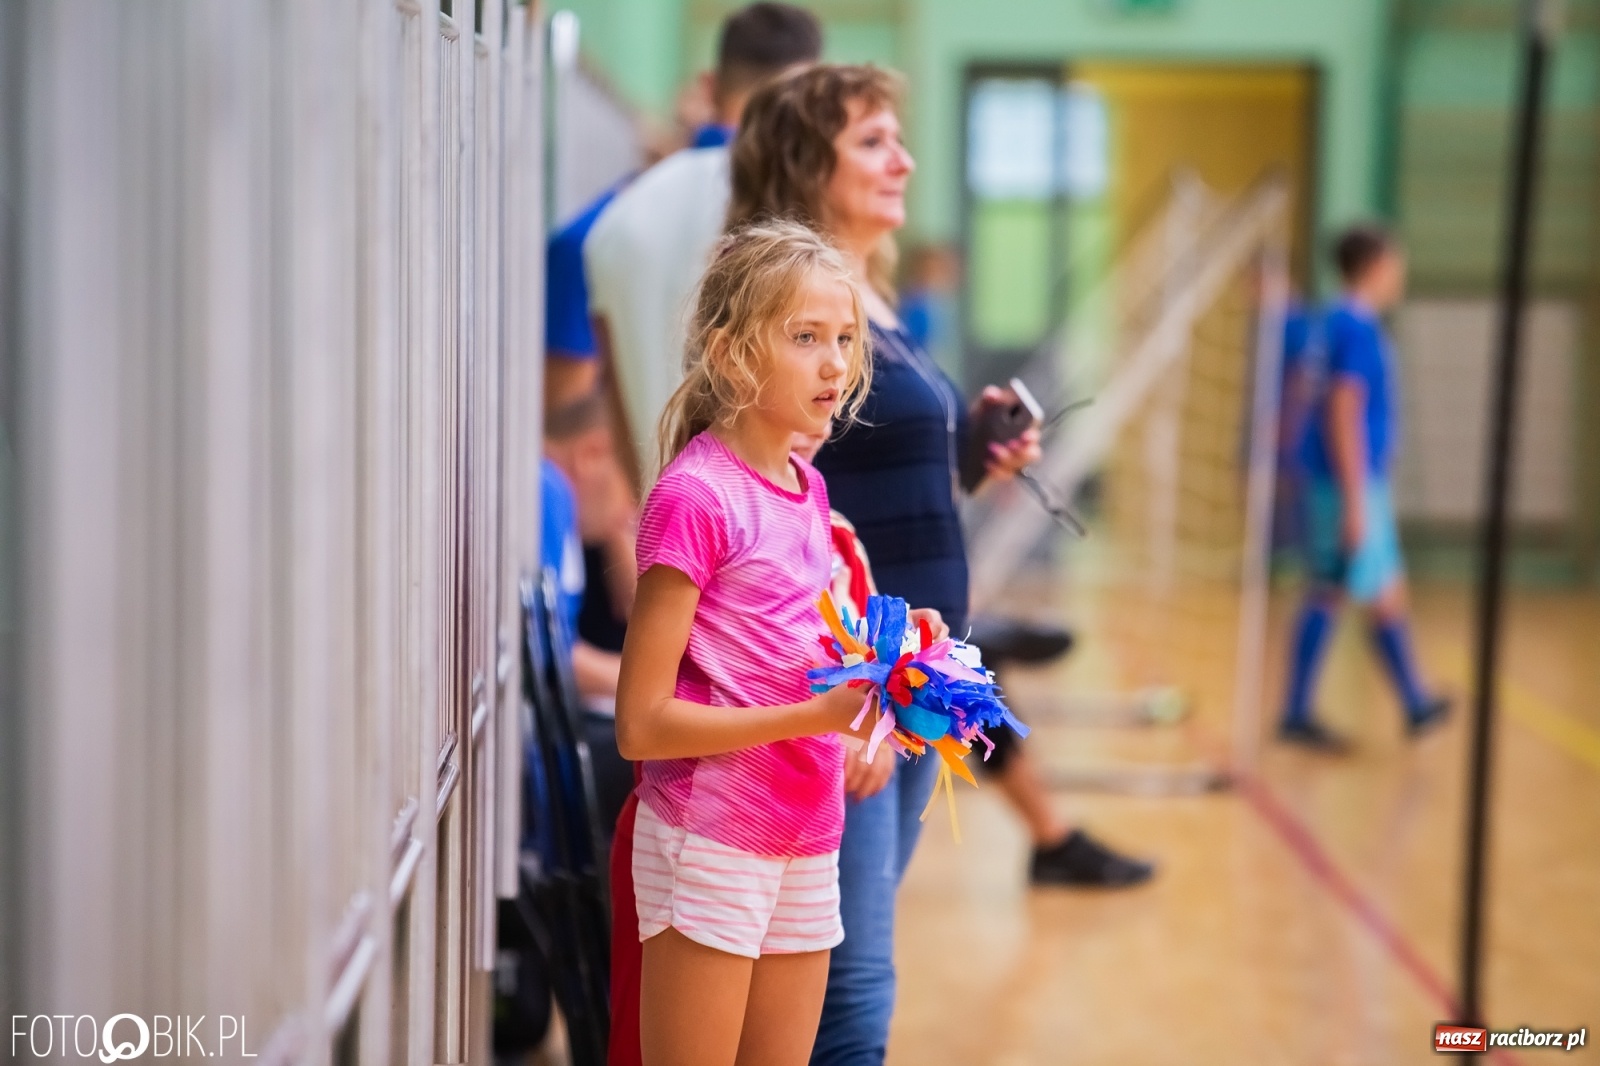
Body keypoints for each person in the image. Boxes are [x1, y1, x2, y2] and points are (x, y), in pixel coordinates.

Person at [615, 221, 946, 1066]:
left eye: (844, 339)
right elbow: (641, 726)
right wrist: (812, 716)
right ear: (730, 355)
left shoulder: (808, 486)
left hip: (808, 833)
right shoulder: (695, 496)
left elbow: (793, 652)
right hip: (710, 838)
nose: (835, 364)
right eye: (805, 339)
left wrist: (898, 652)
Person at [584, 2, 822, 483]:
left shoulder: (617, 219)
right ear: (809, 94)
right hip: (775, 523)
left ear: (714, 85)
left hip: (667, 516)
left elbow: (613, 395)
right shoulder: (802, 207)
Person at [1278, 224, 1450, 751]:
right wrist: (1356, 500)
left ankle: (1413, 700)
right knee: (1337, 590)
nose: (1400, 274)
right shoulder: (1355, 328)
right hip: (1347, 483)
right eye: (1396, 263)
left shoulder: (1328, 321)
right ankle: (1301, 711)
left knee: (1371, 590)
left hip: (1342, 480)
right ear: (1375, 266)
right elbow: (1343, 410)